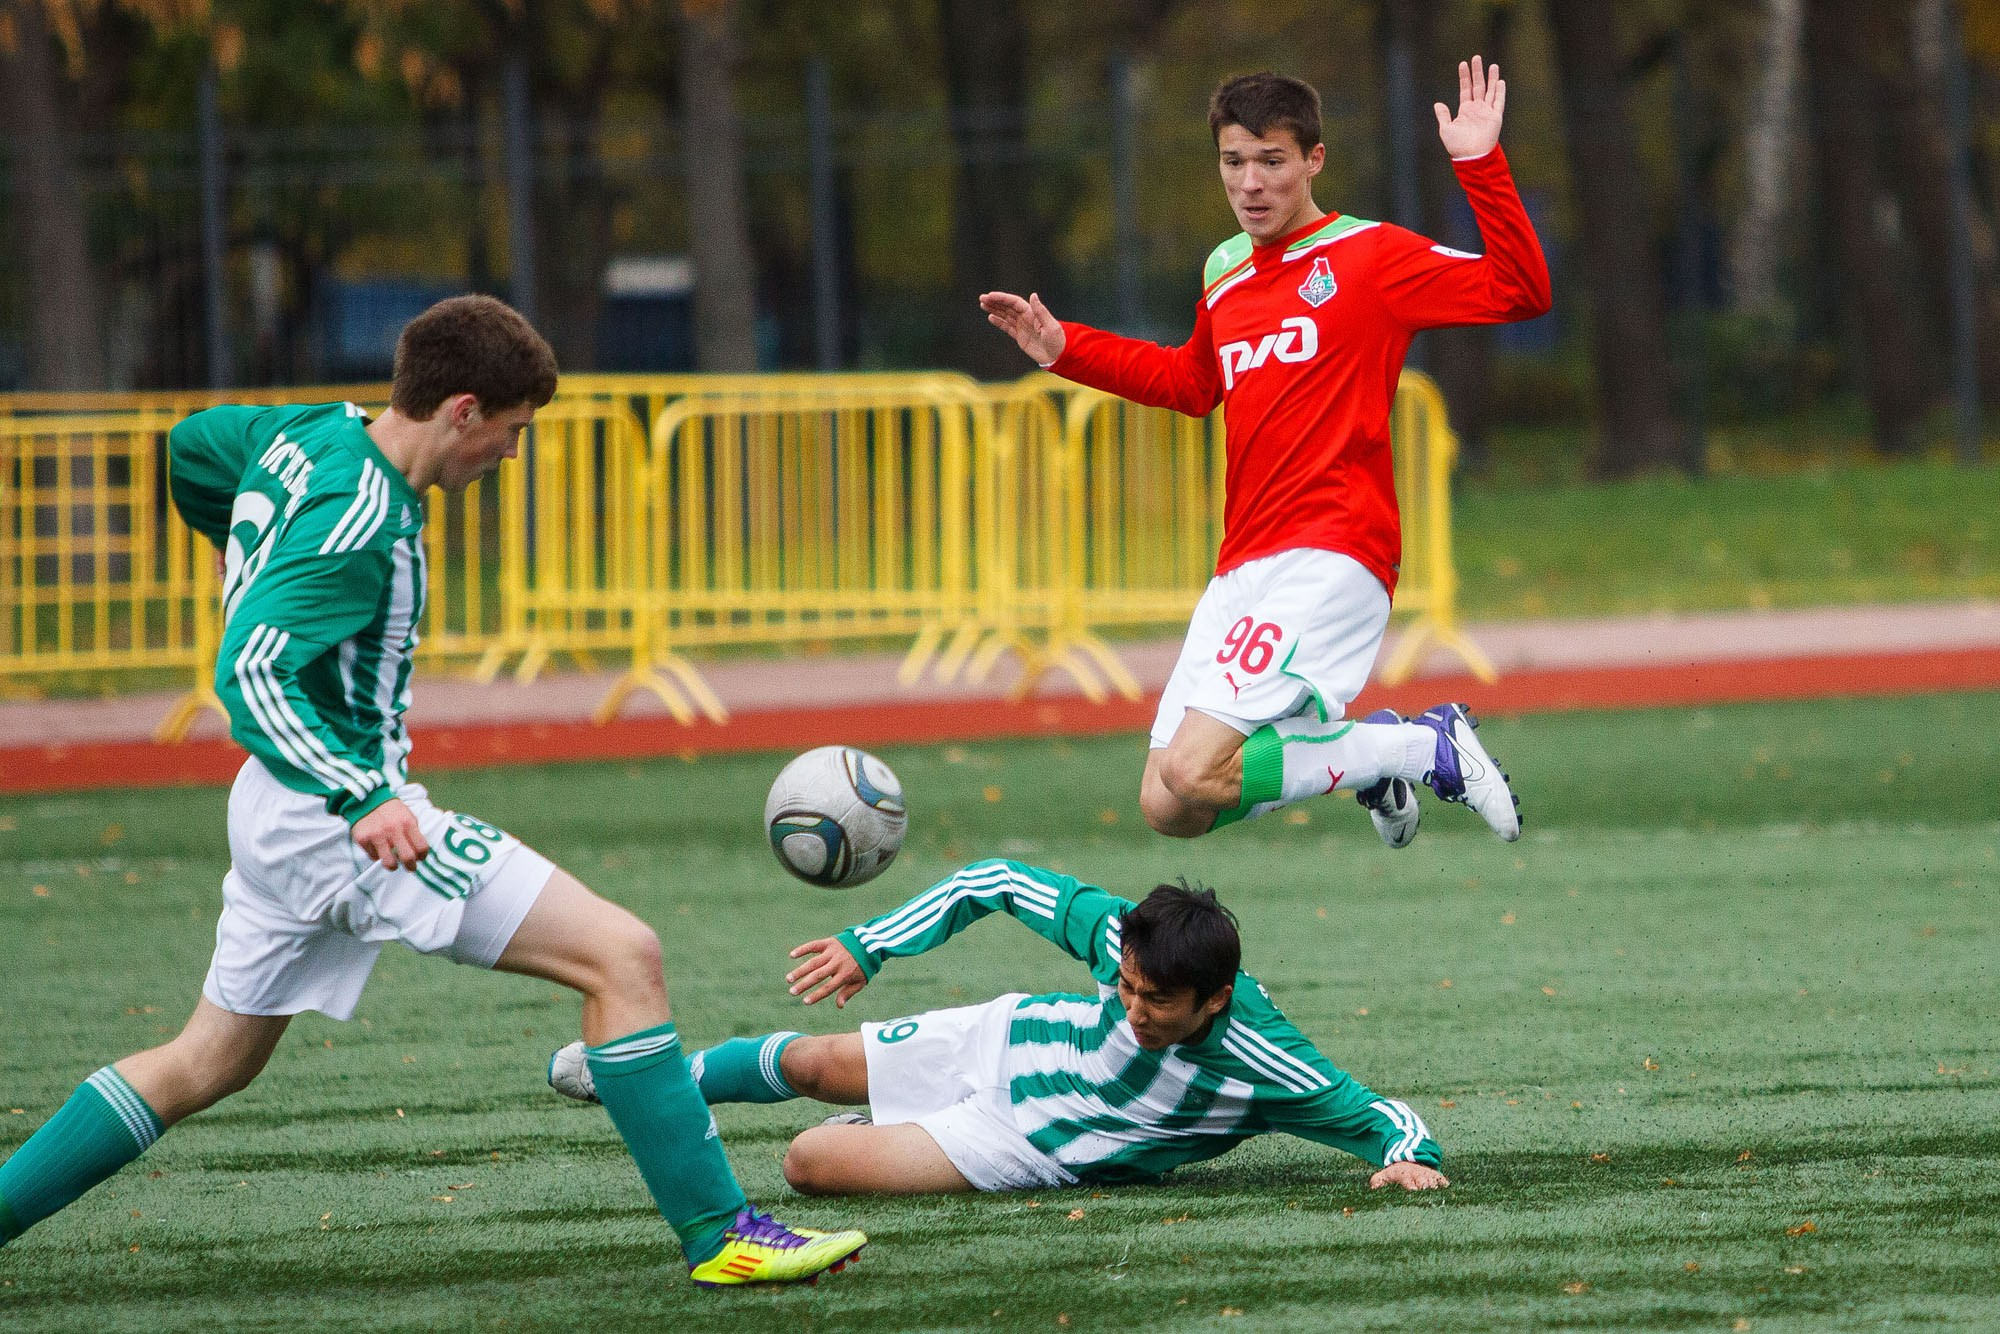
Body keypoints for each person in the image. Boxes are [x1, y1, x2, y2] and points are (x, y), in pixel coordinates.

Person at [0, 296, 865, 1288]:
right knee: (622, 955)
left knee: (206, 1061)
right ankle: (723, 1234)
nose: (512, 453)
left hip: (280, 806)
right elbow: (251, 669)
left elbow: (193, 446)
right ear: (461, 411)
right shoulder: (358, 521)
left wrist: (242, 553)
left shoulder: (311, 432)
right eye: (512, 430)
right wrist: (361, 794)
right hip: (339, 820)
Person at [980, 60, 1551, 845]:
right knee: (1170, 805)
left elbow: (1520, 290)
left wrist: (1479, 163)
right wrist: (1063, 349)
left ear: (1314, 160)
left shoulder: (1370, 256)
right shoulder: (1226, 270)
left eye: (1272, 161)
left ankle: (1422, 748)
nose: (1250, 183)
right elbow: (1191, 382)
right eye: (1234, 161)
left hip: (1335, 550)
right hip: (1243, 564)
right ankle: (1366, 755)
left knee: (1195, 770)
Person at [545, 859, 1447, 1198]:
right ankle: (636, 1075)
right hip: (1009, 1039)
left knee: (808, 1164)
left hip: (1027, 1142)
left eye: (1158, 1003)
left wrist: (1410, 1157)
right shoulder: (1126, 937)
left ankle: (889, 1131)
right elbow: (997, 881)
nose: (1135, 1009)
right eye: (1127, 988)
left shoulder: (1262, 1059)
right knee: (813, 1062)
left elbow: (1377, 1114)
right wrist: (869, 944)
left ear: (1215, 999)